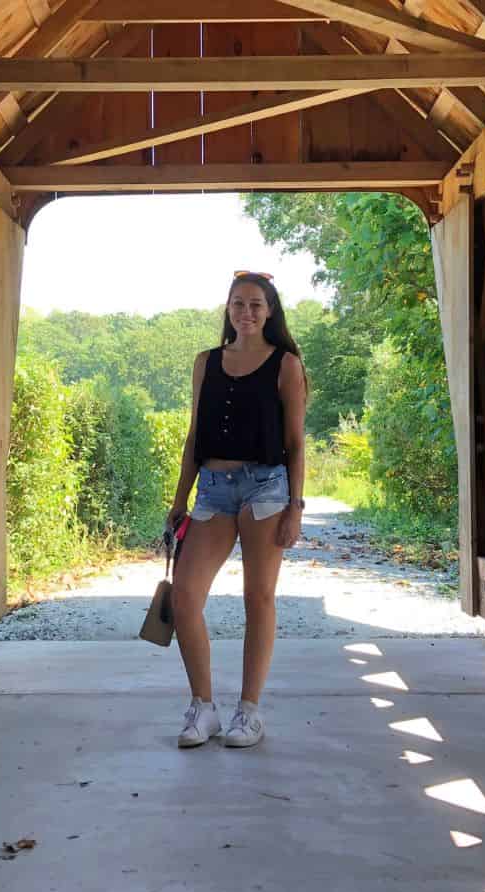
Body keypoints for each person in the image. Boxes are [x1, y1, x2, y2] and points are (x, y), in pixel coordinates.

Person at [165, 271, 307, 749]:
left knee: (258, 598)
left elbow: (295, 443)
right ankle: (203, 708)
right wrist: (179, 497)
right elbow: (193, 436)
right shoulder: (206, 362)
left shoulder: (286, 364)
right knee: (184, 595)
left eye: (256, 304)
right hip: (213, 488)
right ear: (227, 309)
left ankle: (249, 712)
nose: (246, 312)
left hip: (266, 487)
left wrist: (295, 508)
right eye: (238, 304)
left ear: (270, 311)